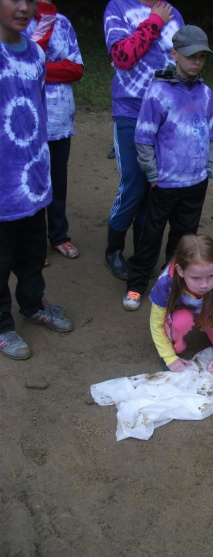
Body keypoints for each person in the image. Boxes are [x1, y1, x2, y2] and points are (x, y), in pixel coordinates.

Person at [122, 25, 213, 312]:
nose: (196, 62)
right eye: (191, 56)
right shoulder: (158, 92)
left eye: (201, 57)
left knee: (184, 238)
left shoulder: (205, 93)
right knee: (150, 234)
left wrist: (208, 166)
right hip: (164, 182)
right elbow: (143, 137)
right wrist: (152, 174)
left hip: (196, 182)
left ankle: (175, 286)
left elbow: (211, 132)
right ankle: (137, 283)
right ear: (174, 54)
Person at [0, 0, 73, 361]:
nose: (24, 7)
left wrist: (41, 168)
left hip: (31, 180)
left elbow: (39, 109)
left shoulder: (35, 54)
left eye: (29, 0)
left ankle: (32, 304)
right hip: (1, 187)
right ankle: (2, 324)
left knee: (32, 254)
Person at [103, 0, 184, 280]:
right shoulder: (118, 8)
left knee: (154, 186)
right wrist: (155, 21)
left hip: (165, 114)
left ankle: (143, 252)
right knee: (134, 186)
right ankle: (113, 250)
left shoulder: (173, 11)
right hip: (131, 111)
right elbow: (122, 56)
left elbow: (185, 60)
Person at [27, 0, 84, 259]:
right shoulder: (15, 22)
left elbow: (76, 69)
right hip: (27, 120)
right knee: (31, 183)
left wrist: (38, 69)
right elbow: (19, 67)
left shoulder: (63, 23)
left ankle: (59, 236)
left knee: (57, 181)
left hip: (60, 119)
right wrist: (40, 68)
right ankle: (33, 245)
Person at [149, 234, 213, 373]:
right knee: (181, 322)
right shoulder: (166, 282)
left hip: (208, 311)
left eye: (211, 276)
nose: (204, 284)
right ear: (180, 270)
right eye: (195, 278)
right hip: (180, 313)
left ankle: (204, 324)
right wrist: (169, 357)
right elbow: (156, 322)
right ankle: (175, 345)